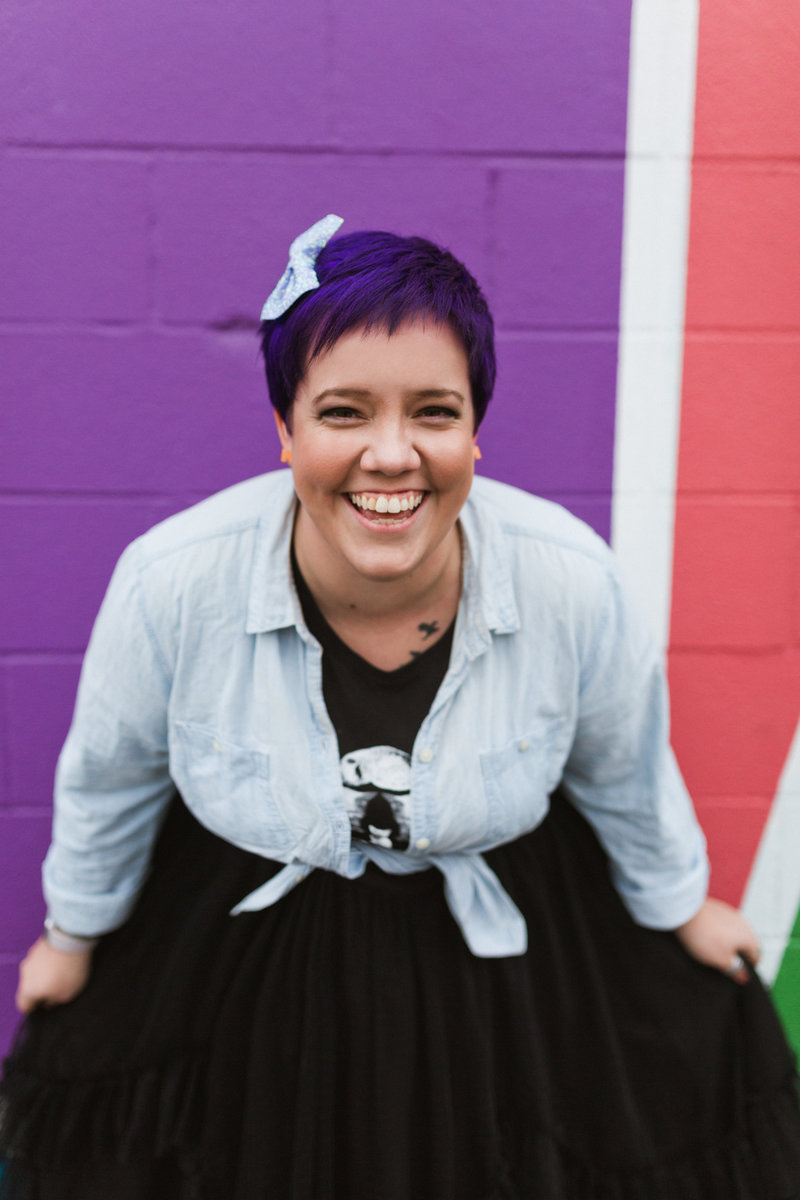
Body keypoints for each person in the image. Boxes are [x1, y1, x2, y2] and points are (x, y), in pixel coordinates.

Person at [1, 215, 798, 1200]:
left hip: (496, 958)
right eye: (343, 413)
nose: (392, 455)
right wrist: (73, 941)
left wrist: (678, 911)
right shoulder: (172, 583)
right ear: (285, 431)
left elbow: (618, 767)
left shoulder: (569, 581)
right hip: (246, 951)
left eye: (432, 411)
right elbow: (111, 779)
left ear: (473, 431)